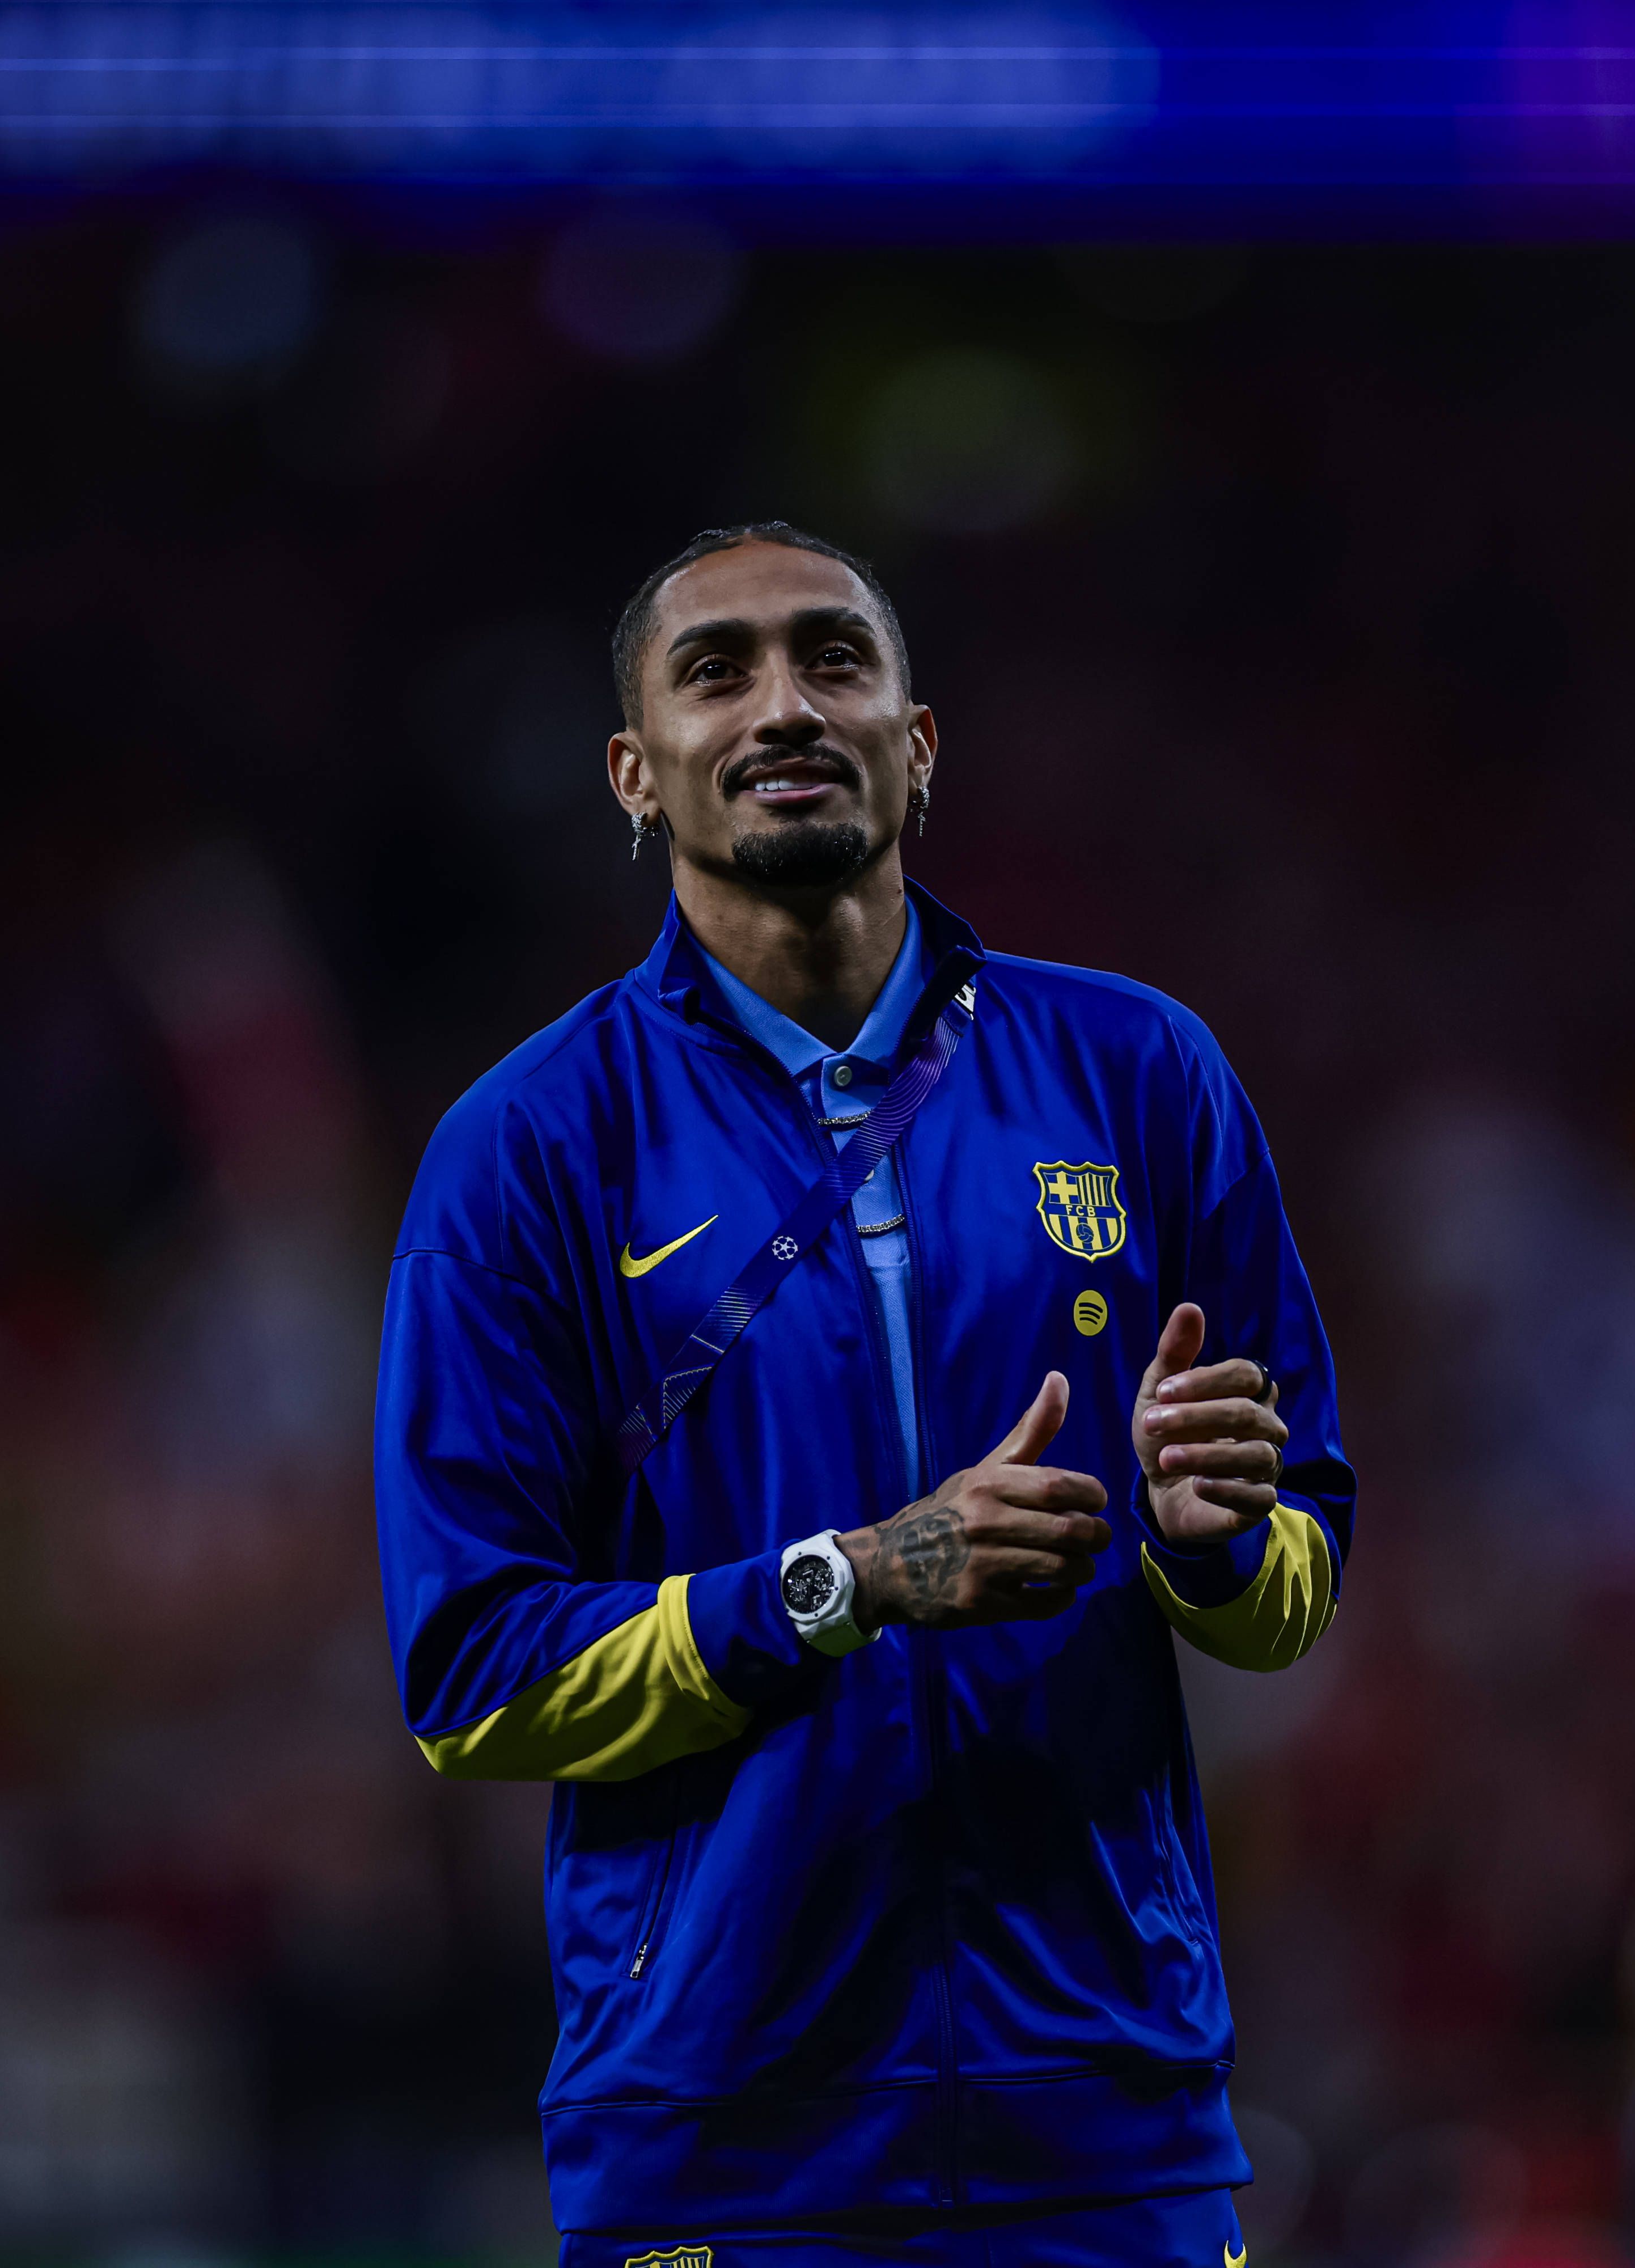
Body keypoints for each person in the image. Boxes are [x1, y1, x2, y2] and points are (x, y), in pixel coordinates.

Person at [375, 522, 1354, 2267]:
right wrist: (848, 1582)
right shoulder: (526, 1149)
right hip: (723, 2144)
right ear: (635, 773)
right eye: (718, 672)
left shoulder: (1141, 1074)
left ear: (917, 742)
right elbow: (470, 1679)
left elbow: (1298, 1575)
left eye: (835, 660)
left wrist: (1212, 1544)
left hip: (1103, 2124)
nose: (784, 706)